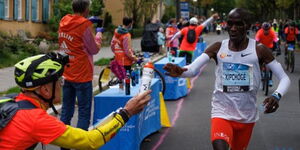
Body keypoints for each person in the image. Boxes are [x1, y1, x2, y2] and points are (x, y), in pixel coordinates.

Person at [163, 8, 290, 150]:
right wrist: (181, 72)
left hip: (247, 117)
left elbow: (284, 78)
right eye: (230, 24)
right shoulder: (218, 48)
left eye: (238, 24)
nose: (233, 29)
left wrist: (277, 95)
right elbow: (192, 69)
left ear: (248, 26)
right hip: (221, 113)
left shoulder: (259, 50)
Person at [0, 52, 151, 150]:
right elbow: (90, 141)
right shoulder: (36, 120)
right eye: (59, 81)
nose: (61, 84)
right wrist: (127, 113)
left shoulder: (12, 100)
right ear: (45, 90)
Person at [58, 0, 101, 135]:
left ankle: (64, 145)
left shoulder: (64, 22)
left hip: (67, 71)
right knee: (83, 112)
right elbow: (94, 49)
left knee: (66, 110)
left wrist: (86, 21)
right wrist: (98, 33)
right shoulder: (84, 26)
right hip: (82, 74)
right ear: (86, 9)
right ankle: (80, 144)